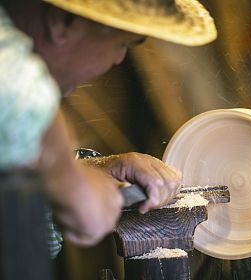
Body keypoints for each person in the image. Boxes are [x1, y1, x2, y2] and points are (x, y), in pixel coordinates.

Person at [0, 0, 216, 259]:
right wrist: (79, 189)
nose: (118, 58)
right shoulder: (18, 84)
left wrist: (91, 171)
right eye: (122, 44)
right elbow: (83, 214)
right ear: (64, 21)